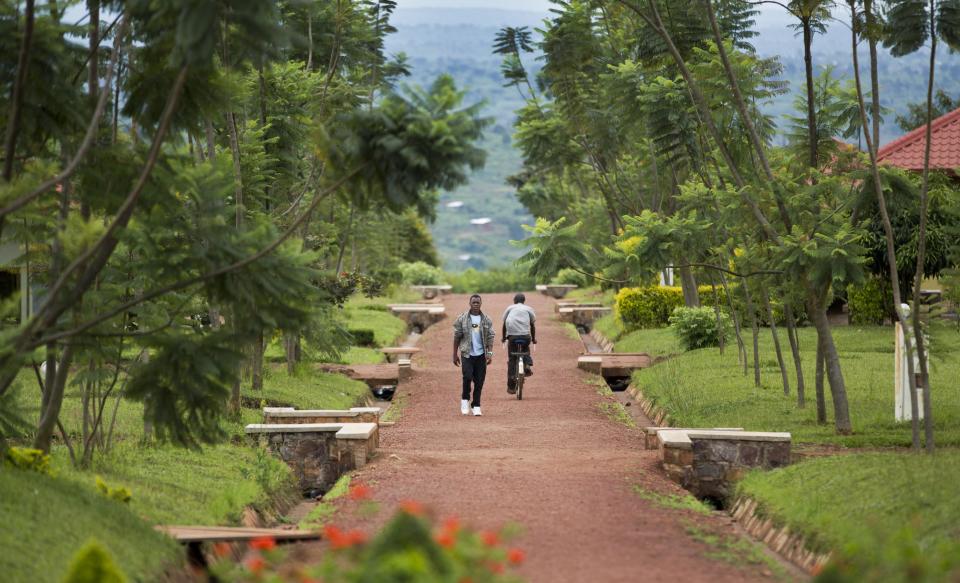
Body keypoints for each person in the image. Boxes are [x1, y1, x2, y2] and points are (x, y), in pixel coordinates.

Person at [452, 294, 494, 416]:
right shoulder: (462, 318)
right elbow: (457, 336)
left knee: (479, 381)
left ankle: (476, 405)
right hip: (467, 354)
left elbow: (490, 337)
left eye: (478, 302)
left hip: (481, 355)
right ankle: (465, 400)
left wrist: (489, 353)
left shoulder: (486, 319)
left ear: (481, 304)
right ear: (470, 304)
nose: (476, 304)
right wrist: (454, 354)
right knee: (467, 377)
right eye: (474, 302)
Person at [501, 293, 536, 394]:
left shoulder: (510, 308)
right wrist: (533, 339)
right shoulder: (528, 309)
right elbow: (532, 325)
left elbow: (504, 324)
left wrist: (503, 338)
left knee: (512, 359)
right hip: (525, 336)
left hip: (512, 337)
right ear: (524, 301)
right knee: (526, 349)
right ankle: (527, 365)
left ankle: (511, 387)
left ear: (514, 301)